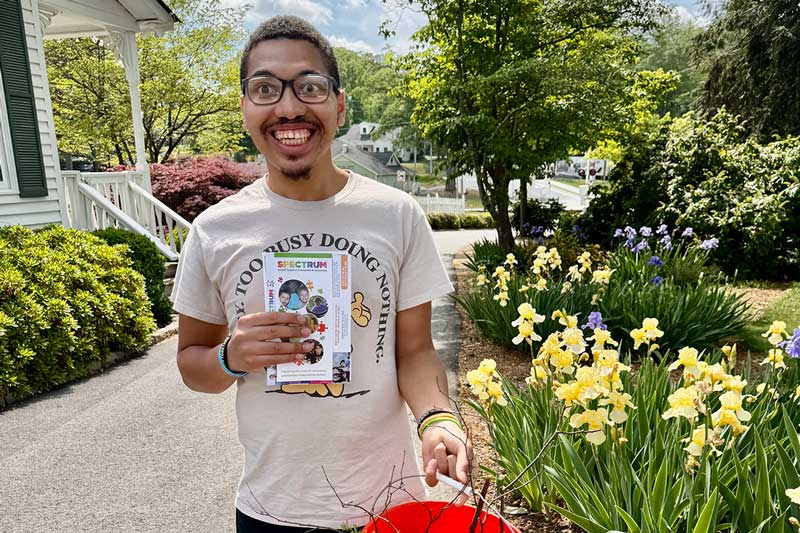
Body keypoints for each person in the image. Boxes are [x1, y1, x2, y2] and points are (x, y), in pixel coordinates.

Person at [172, 15, 471, 533]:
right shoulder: (214, 230)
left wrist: (437, 418)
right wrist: (230, 356)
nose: (289, 107)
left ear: (339, 105)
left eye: (309, 86)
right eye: (265, 88)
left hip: (390, 503)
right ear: (245, 108)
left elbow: (415, 352)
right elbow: (191, 363)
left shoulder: (396, 215)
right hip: (272, 510)